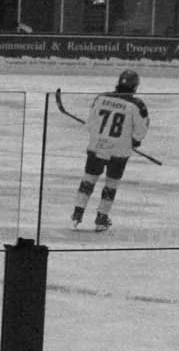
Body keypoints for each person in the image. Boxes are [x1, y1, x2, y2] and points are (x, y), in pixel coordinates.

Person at [59, 71, 150, 232]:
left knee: (89, 179)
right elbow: (141, 131)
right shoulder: (137, 105)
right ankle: (101, 218)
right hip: (119, 151)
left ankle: (77, 212)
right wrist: (135, 141)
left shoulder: (101, 98)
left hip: (97, 146)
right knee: (111, 183)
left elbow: (90, 125)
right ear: (135, 86)